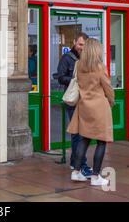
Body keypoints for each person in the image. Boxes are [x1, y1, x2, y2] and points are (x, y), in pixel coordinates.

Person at [67, 38, 115, 186]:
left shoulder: (79, 65)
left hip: (84, 106)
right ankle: (95, 176)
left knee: (84, 139)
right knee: (101, 141)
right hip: (99, 107)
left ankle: (76, 172)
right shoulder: (100, 67)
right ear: (97, 51)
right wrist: (112, 101)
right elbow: (107, 87)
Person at [57, 32, 93, 178]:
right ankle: (81, 165)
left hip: (85, 100)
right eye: (79, 44)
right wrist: (75, 80)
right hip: (73, 100)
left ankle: (74, 162)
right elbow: (60, 77)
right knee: (78, 134)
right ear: (74, 43)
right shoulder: (67, 58)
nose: (81, 48)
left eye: (84, 45)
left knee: (78, 135)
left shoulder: (88, 59)